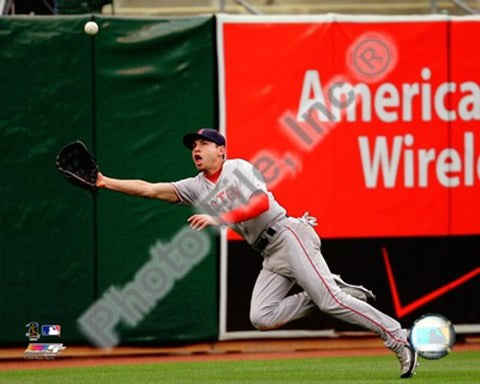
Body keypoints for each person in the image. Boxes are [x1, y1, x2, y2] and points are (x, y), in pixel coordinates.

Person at [96, 128, 418, 378]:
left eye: (203, 144)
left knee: (330, 301)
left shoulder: (237, 168)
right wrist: (105, 181)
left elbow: (261, 203)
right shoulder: (197, 185)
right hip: (269, 253)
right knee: (261, 317)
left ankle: (398, 337)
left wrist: (219, 218)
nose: (196, 148)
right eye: (193, 145)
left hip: (288, 234)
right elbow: (151, 189)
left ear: (221, 150)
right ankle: (324, 290)